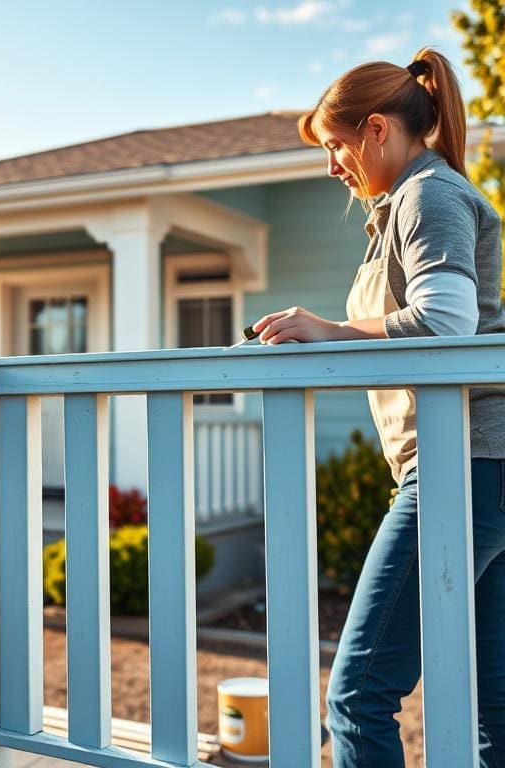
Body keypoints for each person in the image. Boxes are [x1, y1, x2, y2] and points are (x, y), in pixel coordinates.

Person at [252, 48, 505, 767]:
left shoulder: (430, 196)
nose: (332, 166)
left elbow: (448, 318)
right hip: (483, 467)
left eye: (335, 146)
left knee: (357, 697)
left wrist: (330, 330)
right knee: (498, 707)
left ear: (375, 130)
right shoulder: (411, 203)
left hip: (460, 467)